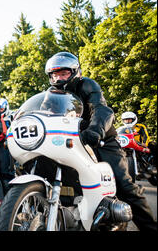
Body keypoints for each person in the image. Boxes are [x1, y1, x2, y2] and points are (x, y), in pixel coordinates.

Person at [45, 51, 157, 231]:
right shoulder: (51, 94)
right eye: (55, 74)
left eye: (63, 73)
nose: (59, 78)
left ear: (75, 72)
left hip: (101, 139)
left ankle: (150, 227)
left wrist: (94, 131)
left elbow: (102, 110)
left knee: (125, 186)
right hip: (69, 142)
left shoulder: (87, 85)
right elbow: (44, 115)